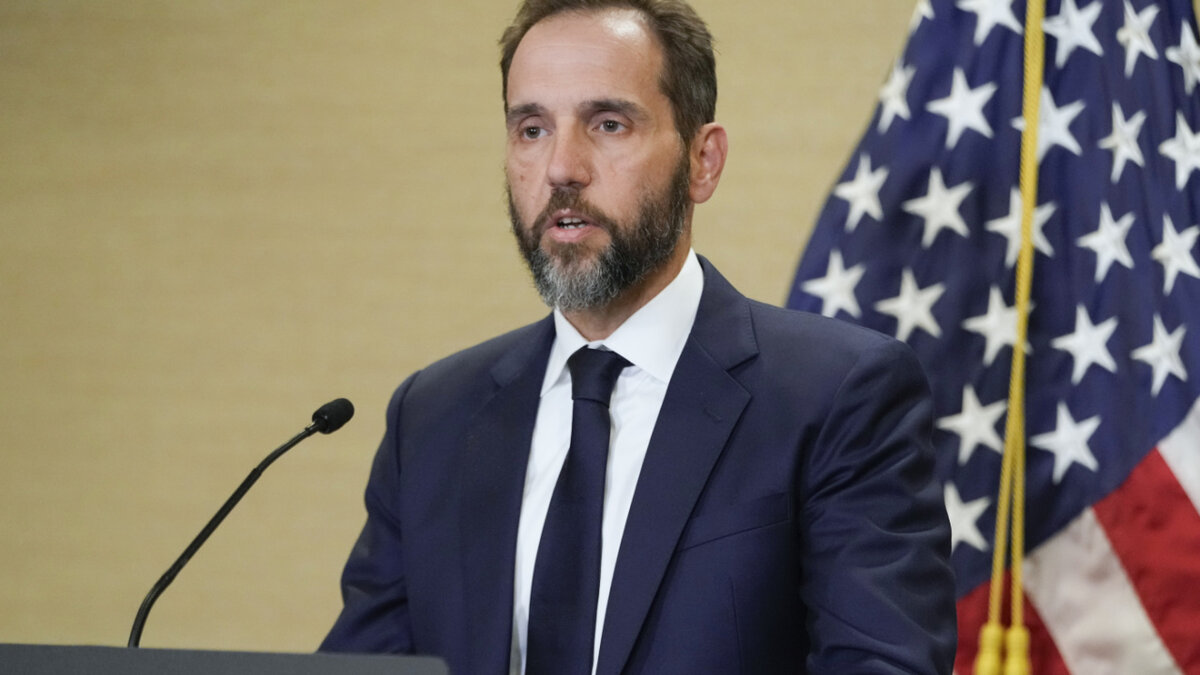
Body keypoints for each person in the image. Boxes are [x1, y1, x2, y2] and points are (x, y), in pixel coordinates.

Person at [320, 0, 957, 673]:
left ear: (702, 161)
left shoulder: (837, 396)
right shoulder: (433, 417)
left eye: (608, 124)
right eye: (532, 129)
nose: (562, 167)